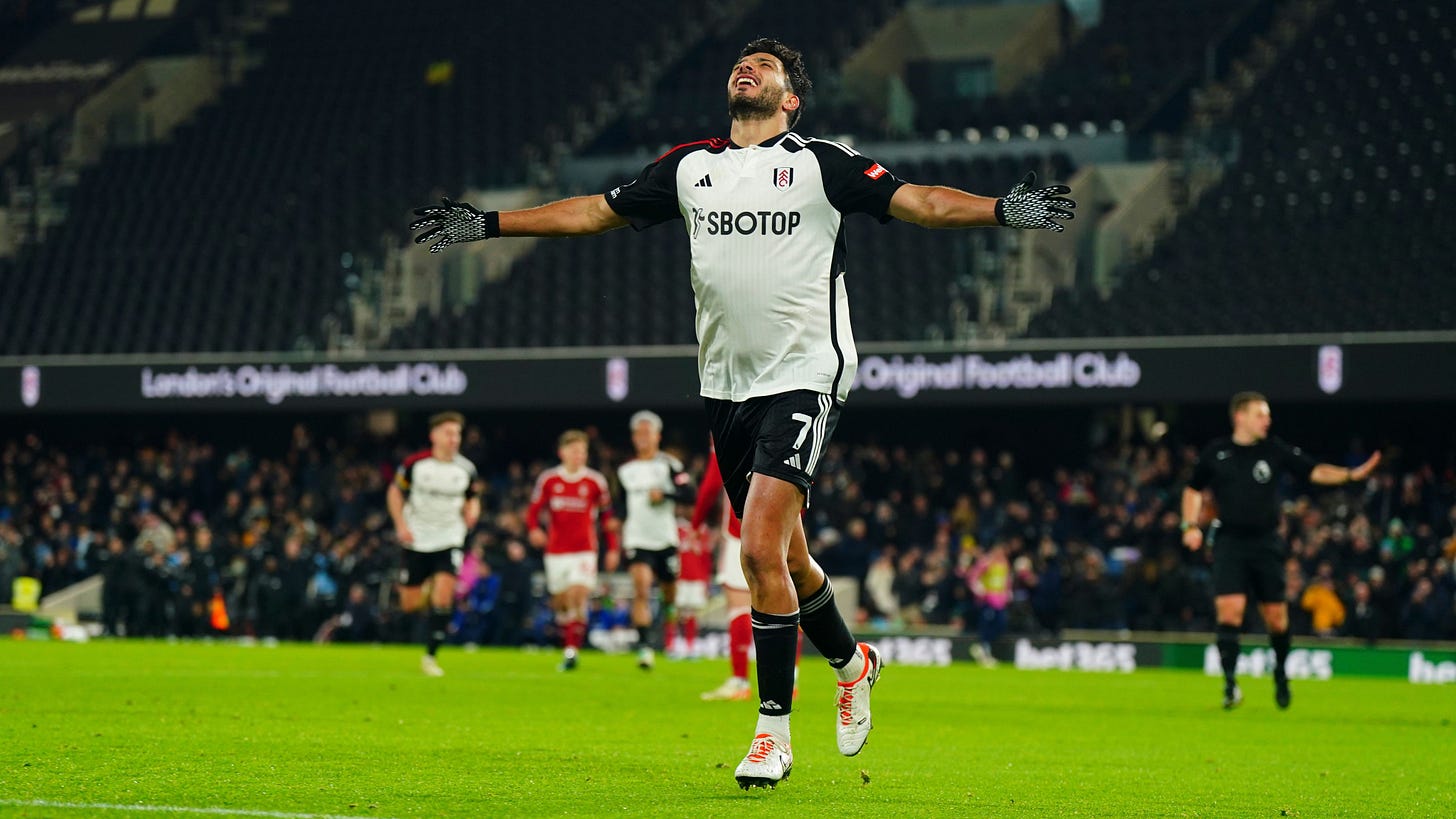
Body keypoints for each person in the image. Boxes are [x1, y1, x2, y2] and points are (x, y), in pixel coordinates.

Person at [410, 37, 1075, 789]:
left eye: (767, 66)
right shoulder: (691, 168)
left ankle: (771, 731)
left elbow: (919, 201)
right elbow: (595, 212)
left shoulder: (822, 162)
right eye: (741, 62)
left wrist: (1001, 211)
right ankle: (854, 663)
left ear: (791, 97)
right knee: (785, 558)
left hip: (804, 374)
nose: (747, 67)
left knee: (757, 545)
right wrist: (489, 224)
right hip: (725, 386)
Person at [1182, 392, 1379, 709]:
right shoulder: (1216, 453)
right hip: (1230, 541)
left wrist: (1350, 474)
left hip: (1266, 543)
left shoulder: (1274, 451)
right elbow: (1193, 489)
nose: (1267, 420)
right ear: (1240, 417)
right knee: (1229, 611)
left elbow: (1313, 470)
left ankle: (1281, 673)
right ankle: (1230, 685)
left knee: (1276, 619)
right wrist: (1189, 526)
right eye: (1261, 414)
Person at [386, 411, 481, 676]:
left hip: (450, 538)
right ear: (434, 436)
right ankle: (427, 585)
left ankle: (430, 656)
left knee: (443, 596)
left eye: (457, 434)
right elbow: (395, 492)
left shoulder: (465, 469)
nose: (454, 439)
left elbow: (473, 496)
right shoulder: (416, 465)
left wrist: (473, 510)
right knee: (410, 603)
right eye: (448, 433)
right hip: (417, 539)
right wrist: (401, 525)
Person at [525, 429, 620, 671]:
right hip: (556, 551)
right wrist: (534, 529)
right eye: (574, 450)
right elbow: (533, 511)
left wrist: (613, 548)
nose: (579, 455)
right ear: (562, 452)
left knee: (578, 595)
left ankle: (571, 652)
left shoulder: (595, 482)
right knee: (561, 602)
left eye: (582, 451)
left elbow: (608, 518)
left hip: (584, 550)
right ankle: (569, 640)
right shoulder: (549, 480)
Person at [615, 410, 695, 669]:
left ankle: (669, 628)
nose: (642, 438)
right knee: (641, 588)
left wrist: (666, 495)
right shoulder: (626, 470)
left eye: (647, 433)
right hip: (637, 539)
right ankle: (645, 648)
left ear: (657, 436)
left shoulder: (669, 465)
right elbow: (619, 506)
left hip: (665, 539)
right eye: (638, 433)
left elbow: (690, 494)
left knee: (669, 594)